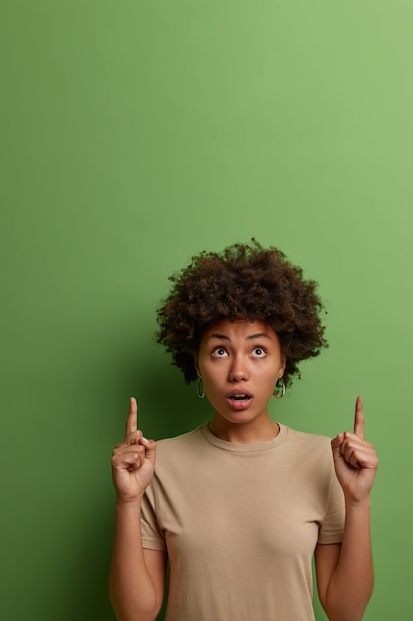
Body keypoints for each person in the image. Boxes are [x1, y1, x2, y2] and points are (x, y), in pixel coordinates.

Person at [109, 240, 379, 621]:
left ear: (283, 363)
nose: (238, 371)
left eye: (257, 351)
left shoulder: (327, 460)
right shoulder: (156, 465)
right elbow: (135, 614)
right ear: (198, 365)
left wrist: (358, 503)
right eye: (220, 351)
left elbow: (345, 611)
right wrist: (127, 501)